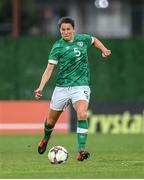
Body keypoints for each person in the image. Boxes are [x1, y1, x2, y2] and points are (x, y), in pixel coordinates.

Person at [35, 16, 111, 161]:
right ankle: (45, 138)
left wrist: (104, 49)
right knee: (51, 122)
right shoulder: (57, 47)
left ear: (73, 29)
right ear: (60, 31)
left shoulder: (83, 39)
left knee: (82, 114)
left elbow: (94, 40)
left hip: (81, 86)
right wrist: (40, 87)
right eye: (63, 29)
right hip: (62, 88)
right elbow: (49, 69)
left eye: (68, 29)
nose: (66, 32)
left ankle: (81, 150)